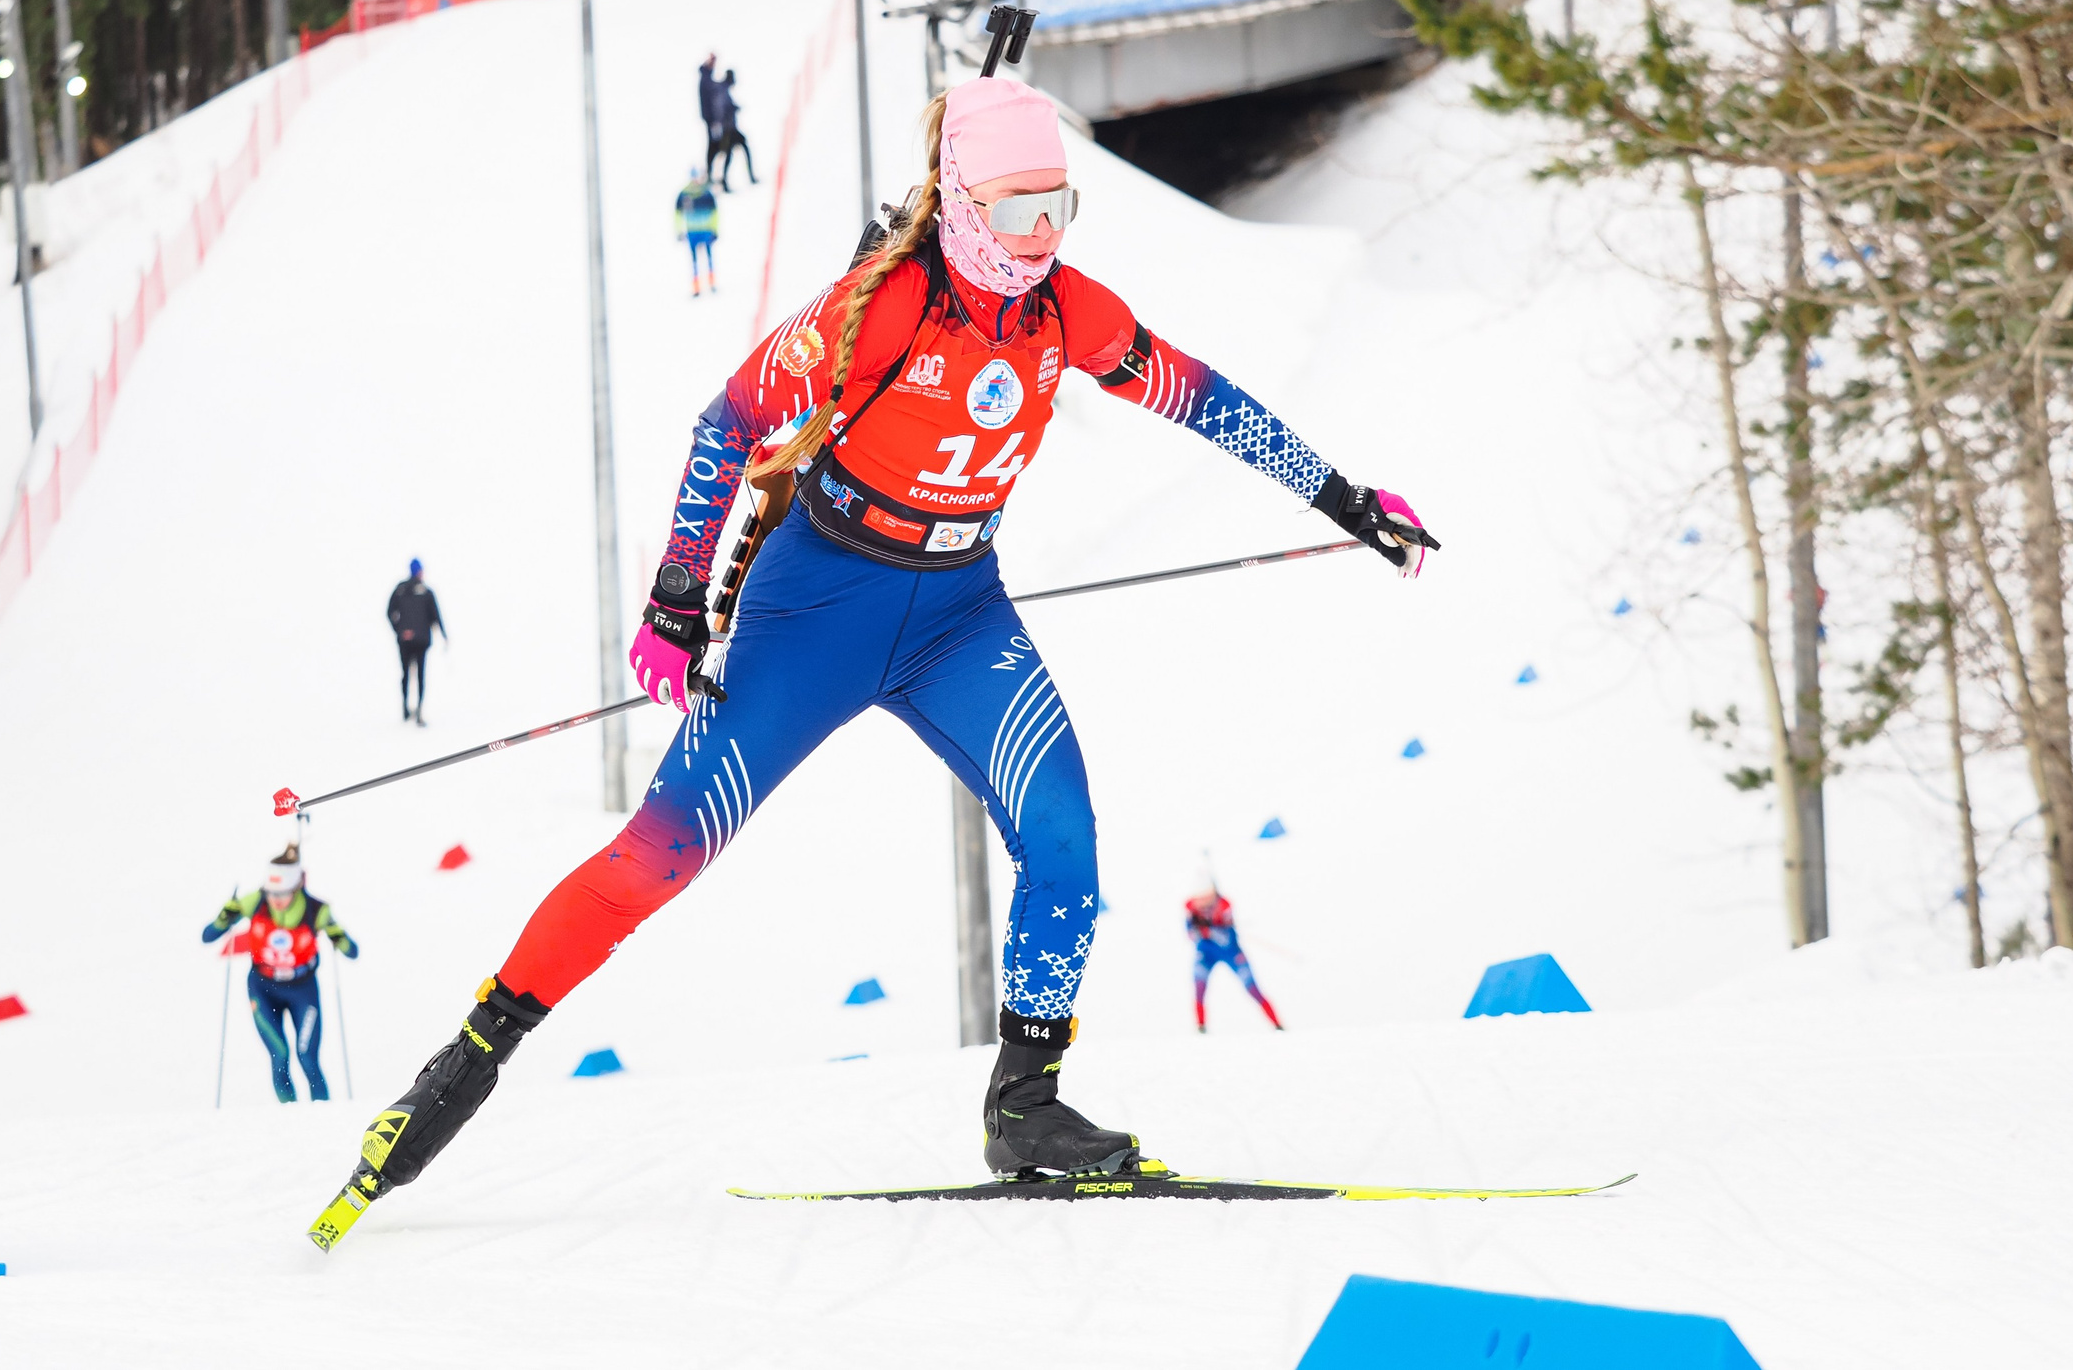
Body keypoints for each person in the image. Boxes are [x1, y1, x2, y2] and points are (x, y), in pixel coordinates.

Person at [312, 75, 1433, 1240]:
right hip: (816, 609)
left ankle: (1025, 1107)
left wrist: (1342, 498)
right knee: (655, 858)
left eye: (1060, 207)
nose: (1040, 238)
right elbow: (728, 421)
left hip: (960, 613)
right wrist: (679, 596)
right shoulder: (887, 304)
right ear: (958, 201)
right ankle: (457, 1071)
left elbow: (1201, 399)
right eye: (1013, 211)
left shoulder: (1065, 314)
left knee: (1066, 843)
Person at [204, 845, 358, 1103]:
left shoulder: (315, 910)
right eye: (272, 892)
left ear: (296, 887)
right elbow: (208, 936)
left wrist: (338, 936)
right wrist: (224, 917)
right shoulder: (255, 901)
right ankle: (290, 1119)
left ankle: (323, 1118)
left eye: (283, 893)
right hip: (263, 988)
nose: (276, 899)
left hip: (303, 989)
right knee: (279, 1054)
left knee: (308, 1057)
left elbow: (352, 951)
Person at [1185, 883, 1283, 1033]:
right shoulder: (1191, 910)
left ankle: (1277, 1025)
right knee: (1199, 986)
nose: (1203, 903)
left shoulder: (1224, 906)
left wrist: (1209, 930)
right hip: (1206, 953)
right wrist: (1201, 930)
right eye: (1200, 899)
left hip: (1232, 953)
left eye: (1207, 898)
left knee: (1252, 988)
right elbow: (1191, 934)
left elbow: (1226, 939)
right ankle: (1200, 1026)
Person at [387, 560, 446, 726]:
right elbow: (436, 616)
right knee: (418, 675)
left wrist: (400, 631)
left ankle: (407, 709)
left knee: (406, 674)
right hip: (420, 640)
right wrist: (443, 635)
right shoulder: (423, 591)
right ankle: (417, 710)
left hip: (407, 641)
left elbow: (390, 612)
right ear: (419, 571)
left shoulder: (401, 589)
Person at [676, 166, 720, 296]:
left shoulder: (705, 192)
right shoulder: (685, 193)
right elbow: (677, 214)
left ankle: (711, 282)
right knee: (695, 259)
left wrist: (714, 229)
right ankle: (697, 286)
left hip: (705, 230)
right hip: (693, 231)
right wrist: (679, 230)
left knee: (708, 257)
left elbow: (714, 213)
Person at [711, 67, 757, 189]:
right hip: (728, 129)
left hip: (730, 128)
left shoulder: (724, 90)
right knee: (731, 153)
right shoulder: (722, 91)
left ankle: (729, 180)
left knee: (732, 153)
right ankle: (727, 181)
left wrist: (734, 107)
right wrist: (732, 110)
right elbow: (721, 110)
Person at [698, 52, 724, 176]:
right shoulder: (706, 79)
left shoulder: (707, 78)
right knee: (714, 145)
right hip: (711, 119)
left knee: (716, 145)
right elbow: (710, 100)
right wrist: (713, 120)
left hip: (712, 119)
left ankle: (710, 171)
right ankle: (709, 171)